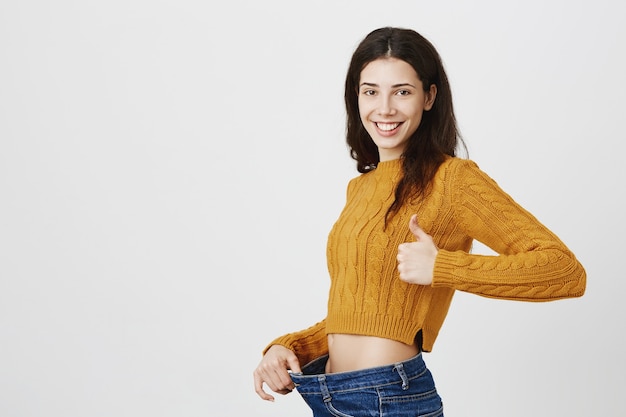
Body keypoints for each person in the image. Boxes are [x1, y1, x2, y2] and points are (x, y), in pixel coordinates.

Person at [252, 26, 586, 417]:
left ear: (429, 97)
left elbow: (564, 270)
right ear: (355, 97)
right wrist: (292, 346)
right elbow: (365, 310)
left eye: (403, 92)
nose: (385, 108)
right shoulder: (360, 189)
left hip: (389, 398)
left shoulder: (453, 180)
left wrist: (442, 267)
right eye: (371, 91)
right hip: (327, 393)